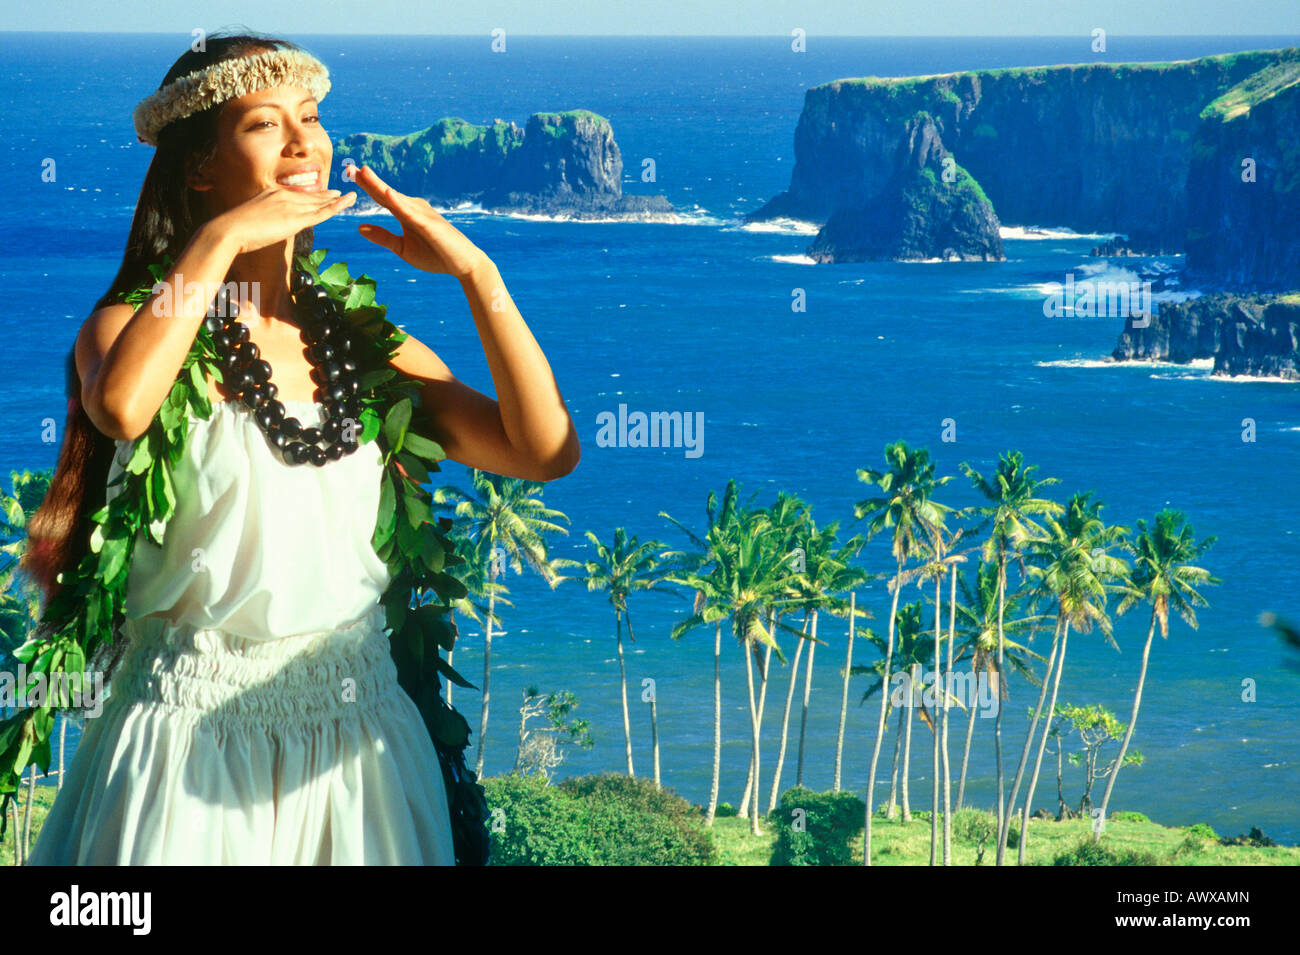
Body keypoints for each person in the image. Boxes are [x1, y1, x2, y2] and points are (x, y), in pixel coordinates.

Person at [21, 31, 579, 864]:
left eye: (310, 117)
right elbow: (123, 406)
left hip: (361, 742)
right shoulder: (129, 330)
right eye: (262, 123)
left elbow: (543, 451)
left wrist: (476, 275)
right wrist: (217, 243)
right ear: (198, 167)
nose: (301, 141)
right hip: (186, 744)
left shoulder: (364, 347)